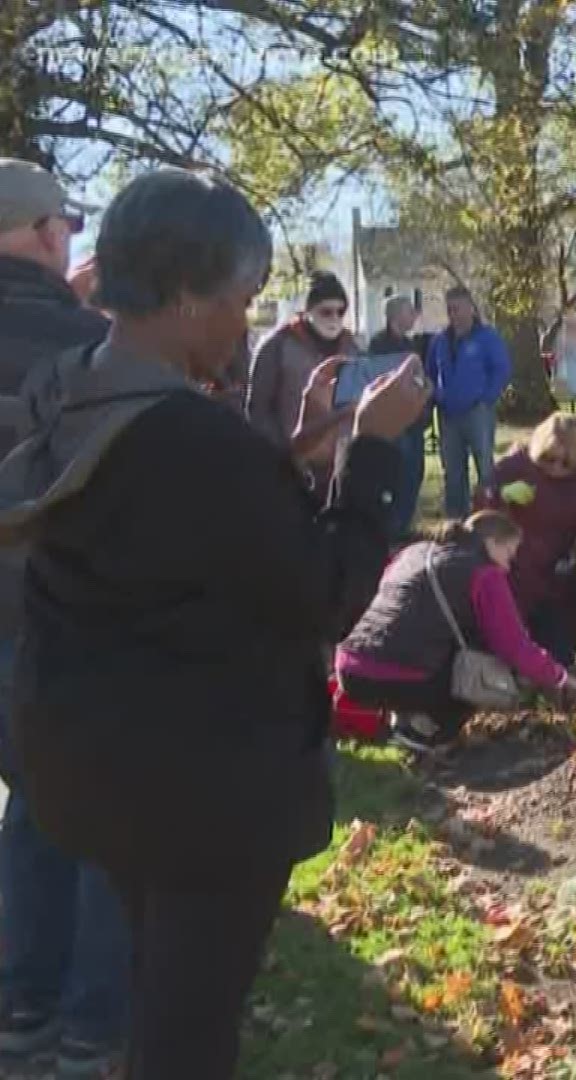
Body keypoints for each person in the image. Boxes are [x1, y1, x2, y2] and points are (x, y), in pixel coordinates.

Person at [0, 167, 427, 1079]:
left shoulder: (75, 386)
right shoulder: (196, 445)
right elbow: (328, 592)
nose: (246, 320)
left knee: (159, 983)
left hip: (88, 759)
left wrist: (295, 454)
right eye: (239, 299)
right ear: (189, 297)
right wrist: (376, 450)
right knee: (188, 1029)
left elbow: (201, 544)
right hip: (202, 789)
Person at [0, 158, 128, 1076]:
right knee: (95, 814)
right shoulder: (89, 348)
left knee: (28, 806)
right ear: (50, 234)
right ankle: (87, 1027)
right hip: (69, 615)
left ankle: (21, 1003)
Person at [337, 511, 576, 752]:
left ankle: (406, 716)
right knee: (477, 675)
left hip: (350, 667)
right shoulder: (484, 573)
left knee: (442, 642)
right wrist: (562, 679)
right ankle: (425, 735)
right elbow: (514, 647)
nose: (507, 568)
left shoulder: (413, 552)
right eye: (509, 555)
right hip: (398, 675)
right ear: (492, 542)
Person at [481, 413, 576, 666]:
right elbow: (480, 512)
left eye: (566, 463)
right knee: (512, 648)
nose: (555, 468)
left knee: (559, 654)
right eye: (548, 459)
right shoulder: (516, 465)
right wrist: (500, 497)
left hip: (566, 576)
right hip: (520, 571)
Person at [246, 269, 361, 483]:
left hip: (342, 466)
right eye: (326, 311)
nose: (335, 318)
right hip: (290, 466)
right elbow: (258, 410)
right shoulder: (277, 345)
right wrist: (283, 457)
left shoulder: (351, 347)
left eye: (341, 311)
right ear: (308, 310)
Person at [427, 284, 511, 518]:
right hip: (448, 415)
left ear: (472, 309)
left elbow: (501, 369)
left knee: (485, 467)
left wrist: (486, 399)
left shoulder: (487, 338)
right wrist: (437, 396)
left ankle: (489, 518)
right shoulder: (439, 341)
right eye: (450, 309)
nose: (454, 314)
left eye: (458, 308)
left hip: (478, 412)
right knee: (452, 472)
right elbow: (430, 373)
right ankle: (456, 522)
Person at [367, 294, 433, 539]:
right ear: (395, 316)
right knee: (397, 474)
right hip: (395, 423)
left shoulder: (409, 345)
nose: (414, 316)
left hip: (414, 420)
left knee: (414, 474)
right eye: (409, 311)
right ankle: (391, 529)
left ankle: (404, 526)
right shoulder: (379, 346)